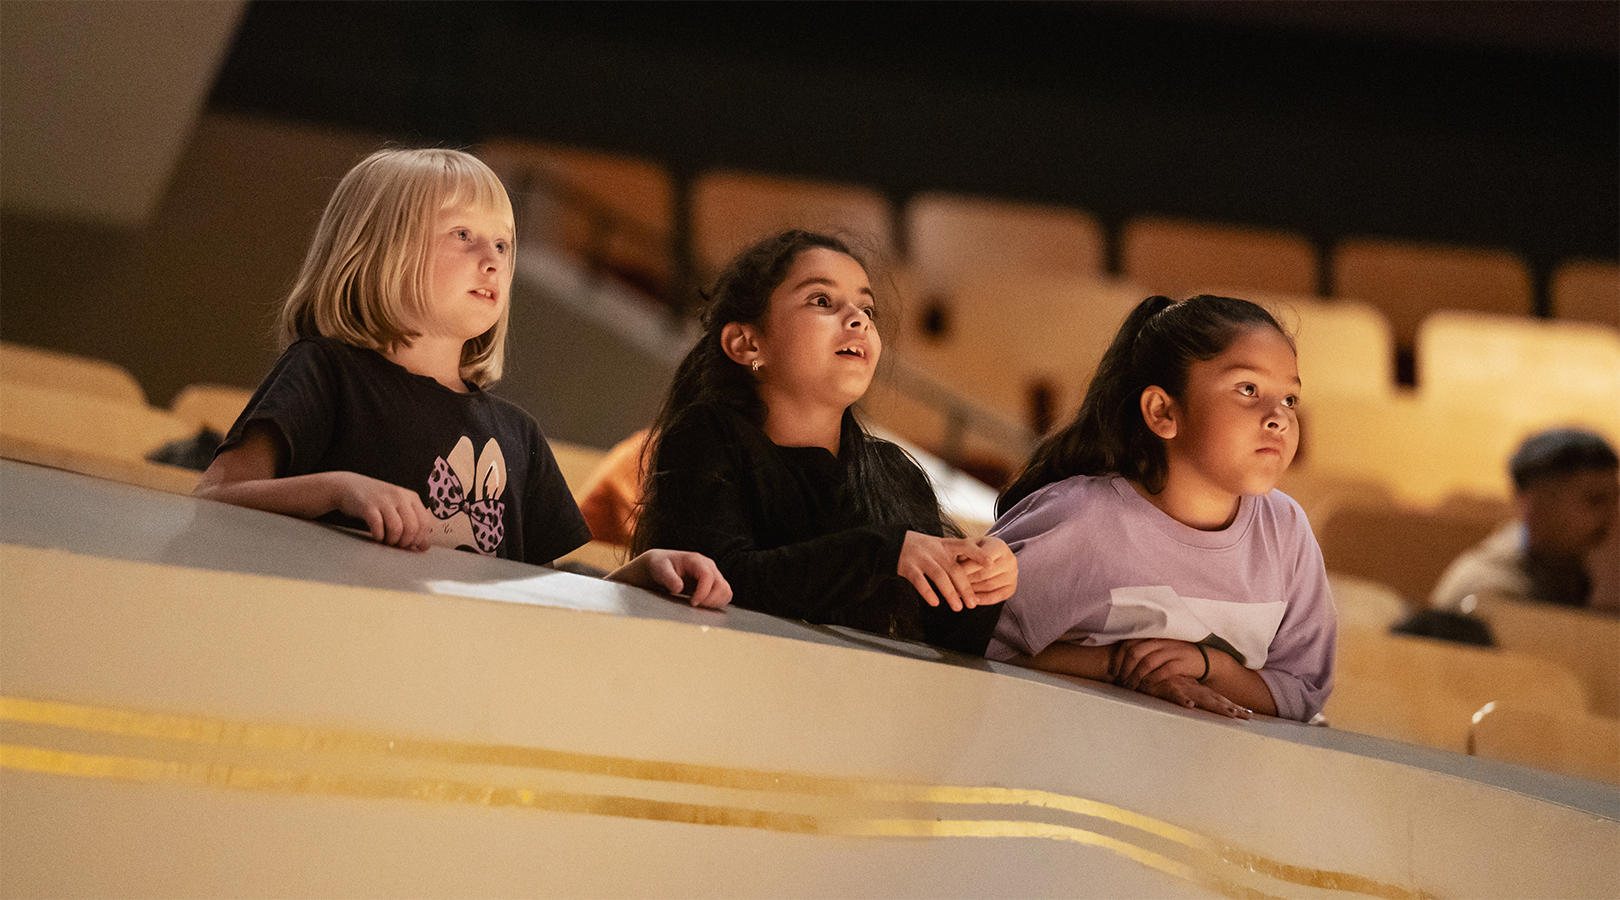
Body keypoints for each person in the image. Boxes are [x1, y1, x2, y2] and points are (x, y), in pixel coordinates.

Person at [195, 148, 729, 608]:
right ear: (376, 248)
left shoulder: (518, 434)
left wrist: (635, 579)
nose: (492, 260)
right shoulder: (325, 372)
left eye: (503, 244)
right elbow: (216, 497)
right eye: (463, 234)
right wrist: (338, 489)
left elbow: (536, 587)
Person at [632, 230, 1016, 653]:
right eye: (822, 301)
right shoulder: (707, 436)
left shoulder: (895, 474)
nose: (859, 319)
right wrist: (882, 552)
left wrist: (981, 583)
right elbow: (723, 581)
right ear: (746, 343)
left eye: (867, 308)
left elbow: (947, 645)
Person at [987, 295, 1336, 722]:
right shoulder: (1081, 519)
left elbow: (1302, 691)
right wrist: (1118, 667)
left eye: (1290, 400)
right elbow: (969, 640)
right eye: (1248, 389)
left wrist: (1211, 667)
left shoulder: (1287, 531)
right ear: (1162, 411)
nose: (1278, 418)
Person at [1431, 428, 1619, 613]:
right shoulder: (1490, 587)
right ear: (1536, 507)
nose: (1612, 515)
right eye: (1596, 500)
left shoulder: (1577, 572)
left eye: (1616, 500)